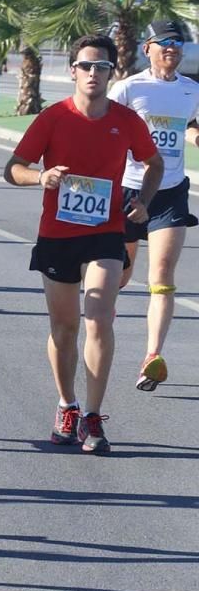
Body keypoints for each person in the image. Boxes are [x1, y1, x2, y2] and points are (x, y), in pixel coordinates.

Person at [4, 34, 163, 455]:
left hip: (105, 233)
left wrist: (143, 202)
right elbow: (13, 169)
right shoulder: (53, 118)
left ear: (113, 72)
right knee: (64, 327)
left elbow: (154, 163)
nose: (94, 73)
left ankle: (93, 415)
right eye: (87, 66)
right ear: (72, 70)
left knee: (97, 317)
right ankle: (67, 404)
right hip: (57, 236)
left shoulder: (127, 121)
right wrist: (41, 177)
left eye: (102, 67)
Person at [111, 20, 199, 392]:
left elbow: (190, 125)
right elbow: (106, 128)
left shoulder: (191, 90)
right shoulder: (129, 88)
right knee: (121, 274)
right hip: (129, 191)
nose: (171, 48)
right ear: (146, 48)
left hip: (170, 193)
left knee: (161, 275)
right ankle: (101, 321)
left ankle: (152, 357)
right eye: (163, 42)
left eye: (177, 43)